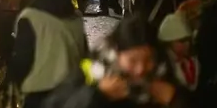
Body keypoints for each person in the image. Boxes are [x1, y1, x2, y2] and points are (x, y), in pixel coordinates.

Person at [46, 15, 186, 107]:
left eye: (148, 60)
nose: (140, 69)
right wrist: (97, 95)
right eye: (132, 60)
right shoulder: (91, 71)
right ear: (116, 53)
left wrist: (175, 100)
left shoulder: (164, 74)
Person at [9, 0, 87, 108]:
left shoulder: (30, 17)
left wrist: (13, 81)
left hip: (39, 94)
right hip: (71, 92)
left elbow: (23, 59)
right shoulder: (75, 17)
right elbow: (84, 53)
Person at [157, 13, 199, 94]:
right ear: (169, 43)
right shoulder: (163, 66)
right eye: (181, 41)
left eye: (188, 40)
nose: (187, 44)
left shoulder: (193, 60)